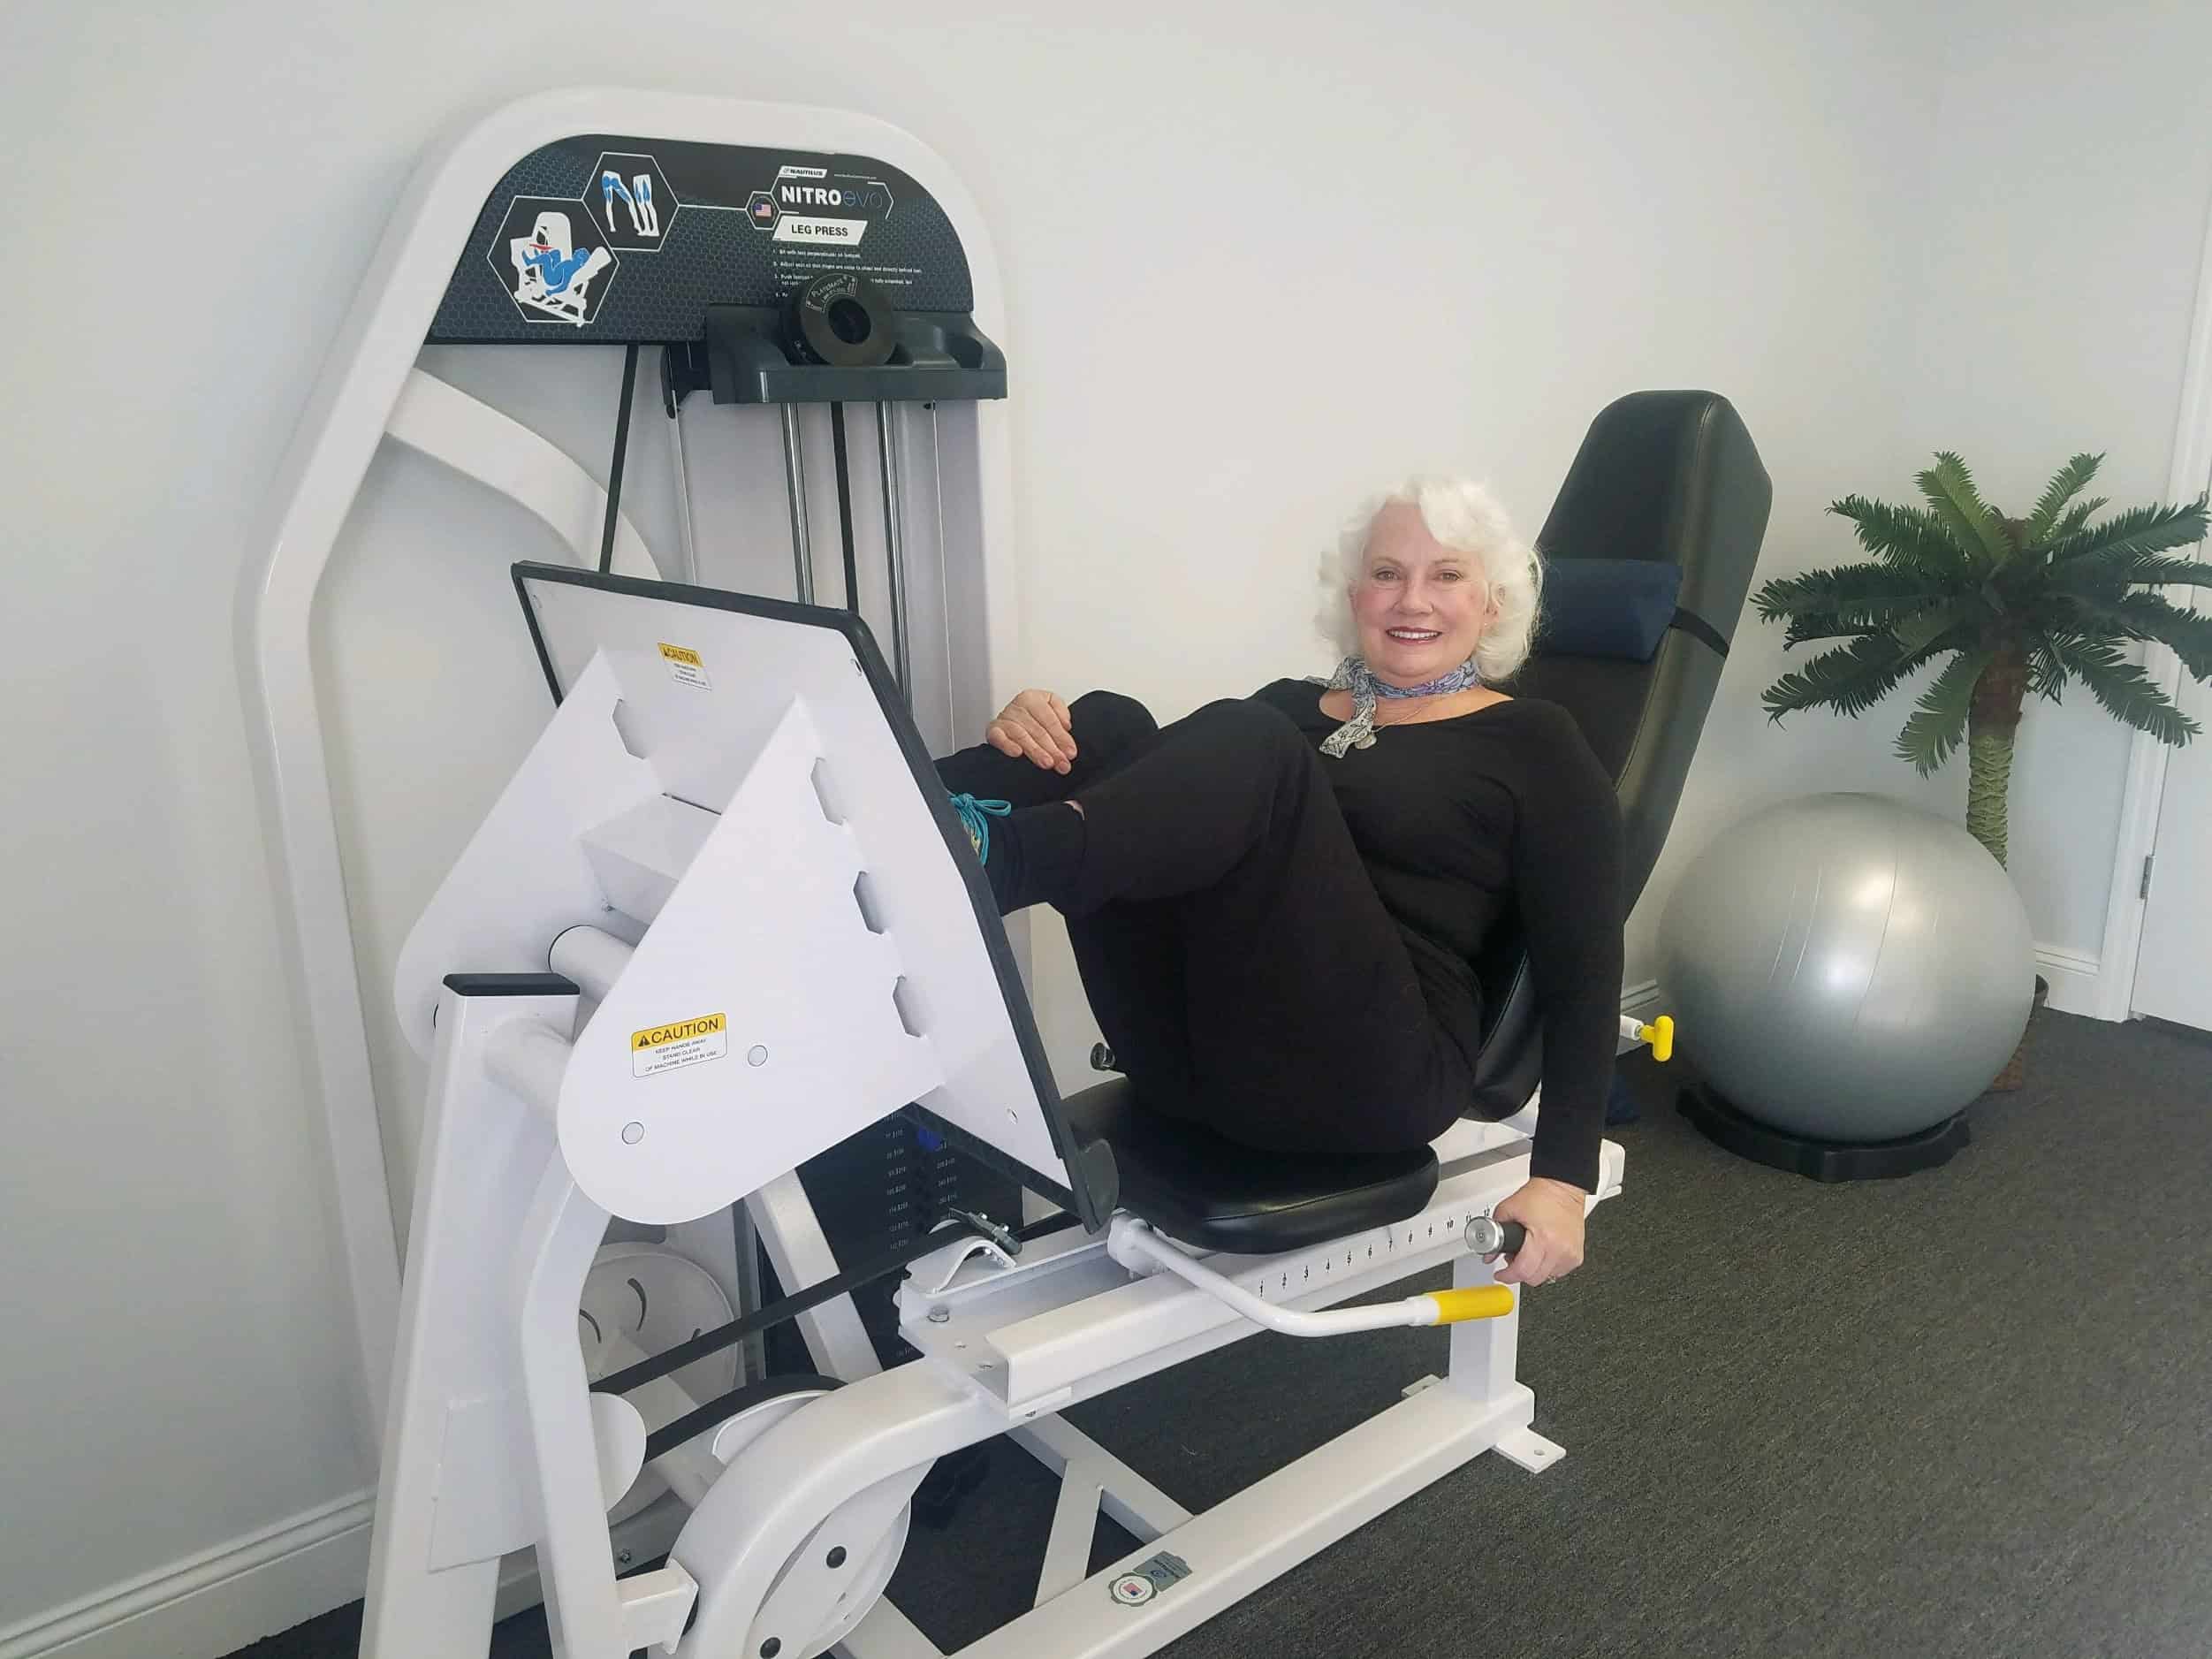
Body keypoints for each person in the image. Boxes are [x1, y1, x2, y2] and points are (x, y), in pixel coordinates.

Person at [931, 478, 1623, 1288]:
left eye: (1447, 575)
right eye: (1387, 572)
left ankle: (988, 860)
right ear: (1353, 591)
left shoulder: (1531, 738)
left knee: (1249, 740)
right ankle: (906, 816)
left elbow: (1584, 966)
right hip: (1194, 1055)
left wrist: (1563, 1181)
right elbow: (1150, 818)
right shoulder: (1289, 709)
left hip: (1371, 1074)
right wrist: (1031, 740)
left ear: (1493, 603)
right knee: (1107, 723)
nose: (1412, 599)